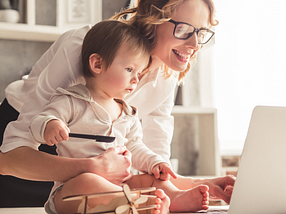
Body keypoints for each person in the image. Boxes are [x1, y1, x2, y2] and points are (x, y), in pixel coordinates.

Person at [0, 0, 235, 208]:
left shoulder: (167, 74)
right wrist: (93, 167)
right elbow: (8, 160)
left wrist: (200, 185)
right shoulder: (84, 47)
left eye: (202, 32)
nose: (195, 43)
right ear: (153, 18)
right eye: (184, 29)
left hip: (99, 175)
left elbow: (152, 166)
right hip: (35, 149)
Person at [29, 19, 211, 214]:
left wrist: (155, 162)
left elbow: (135, 146)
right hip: (70, 193)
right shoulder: (72, 101)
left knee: (152, 178)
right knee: (88, 181)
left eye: (139, 73)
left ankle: (174, 198)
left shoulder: (127, 113)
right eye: (129, 69)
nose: (135, 79)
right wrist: (50, 124)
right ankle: (138, 205)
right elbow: (38, 121)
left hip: (120, 185)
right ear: (97, 64)